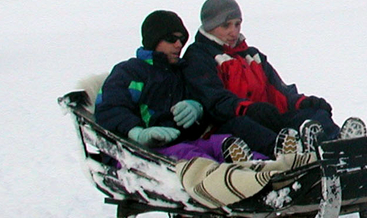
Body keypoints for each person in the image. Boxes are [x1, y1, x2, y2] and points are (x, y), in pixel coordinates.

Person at [183, 0, 365, 157]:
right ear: (210, 26)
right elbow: (214, 99)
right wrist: (247, 109)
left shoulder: (251, 55)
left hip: (264, 116)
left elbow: (278, 91)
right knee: (245, 127)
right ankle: (290, 154)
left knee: (312, 115)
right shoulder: (200, 56)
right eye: (226, 26)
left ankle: (337, 145)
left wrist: (302, 102)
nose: (234, 31)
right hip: (225, 125)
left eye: (237, 24)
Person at [95, 10, 255, 163]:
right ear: (154, 40)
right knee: (196, 159)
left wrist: (197, 109)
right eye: (172, 39)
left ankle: (267, 172)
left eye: (182, 39)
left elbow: (203, 100)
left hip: (186, 141)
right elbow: (109, 107)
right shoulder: (130, 72)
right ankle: (230, 182)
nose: (179, 45)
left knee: (226, 144)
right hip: (142, 152)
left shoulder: (180, 72)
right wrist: (137, 133)